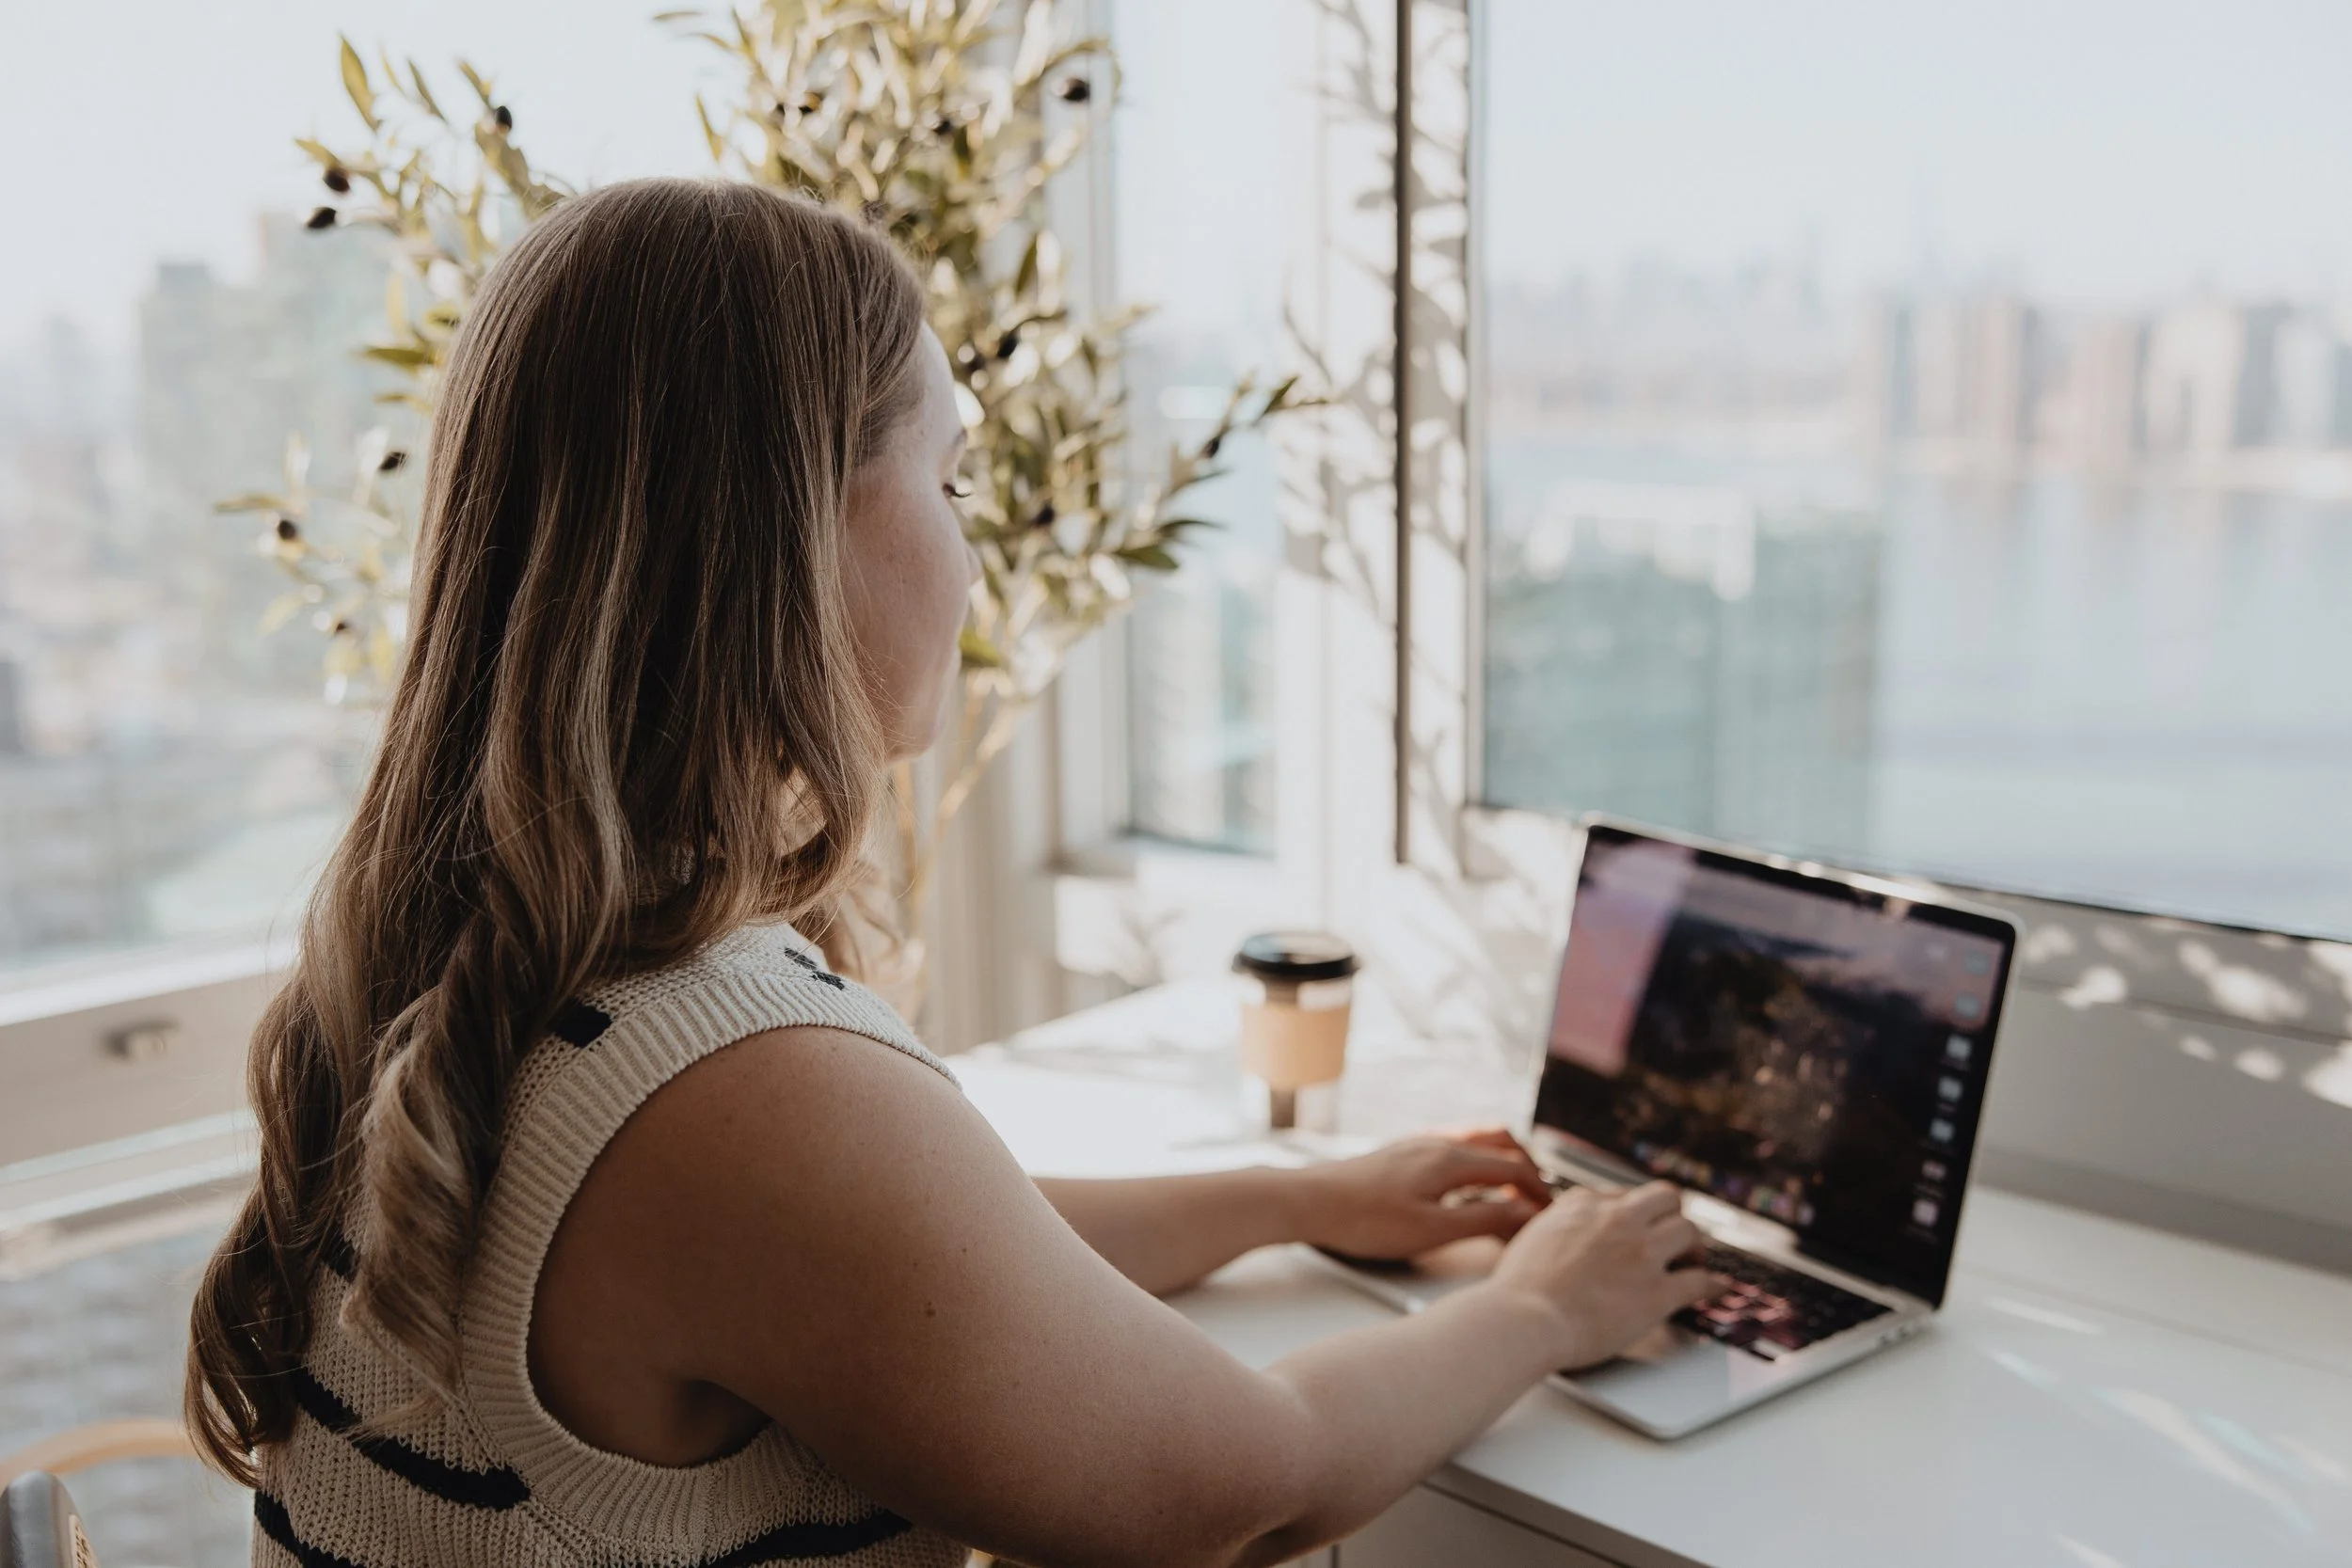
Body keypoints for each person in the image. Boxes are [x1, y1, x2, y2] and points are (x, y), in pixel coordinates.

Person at [185, 178, 1723, 1568]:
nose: (976, 558)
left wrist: (1290, 1195)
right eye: (952, 481)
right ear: (791, 538)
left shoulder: (506, 957)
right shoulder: (723, 1080)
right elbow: (1249, 1485)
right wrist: (1544, 1305)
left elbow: (932, 1261)